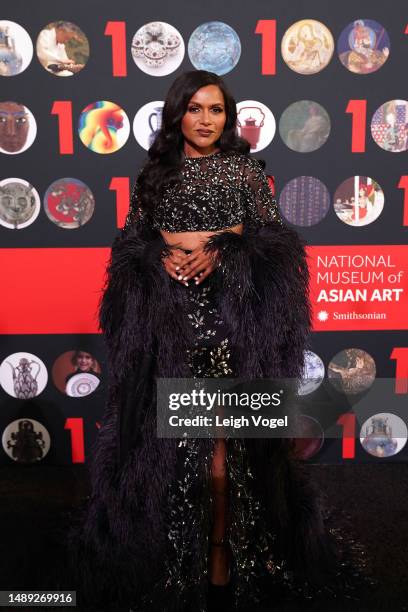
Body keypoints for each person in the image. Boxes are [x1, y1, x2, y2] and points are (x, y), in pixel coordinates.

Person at [68, 70, 371, 611]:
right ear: (177, 114)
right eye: (195, 109)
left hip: (231, 325)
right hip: (171, 325)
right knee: (172, 451)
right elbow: (129, 244)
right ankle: (172, 557)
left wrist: (225, 251)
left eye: (216, 110)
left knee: (227, 455)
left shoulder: (245, 173)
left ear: (228, 118)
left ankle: (223, 554)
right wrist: (157, 257)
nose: (206, 120)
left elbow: (276, 243)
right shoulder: (154, 175)